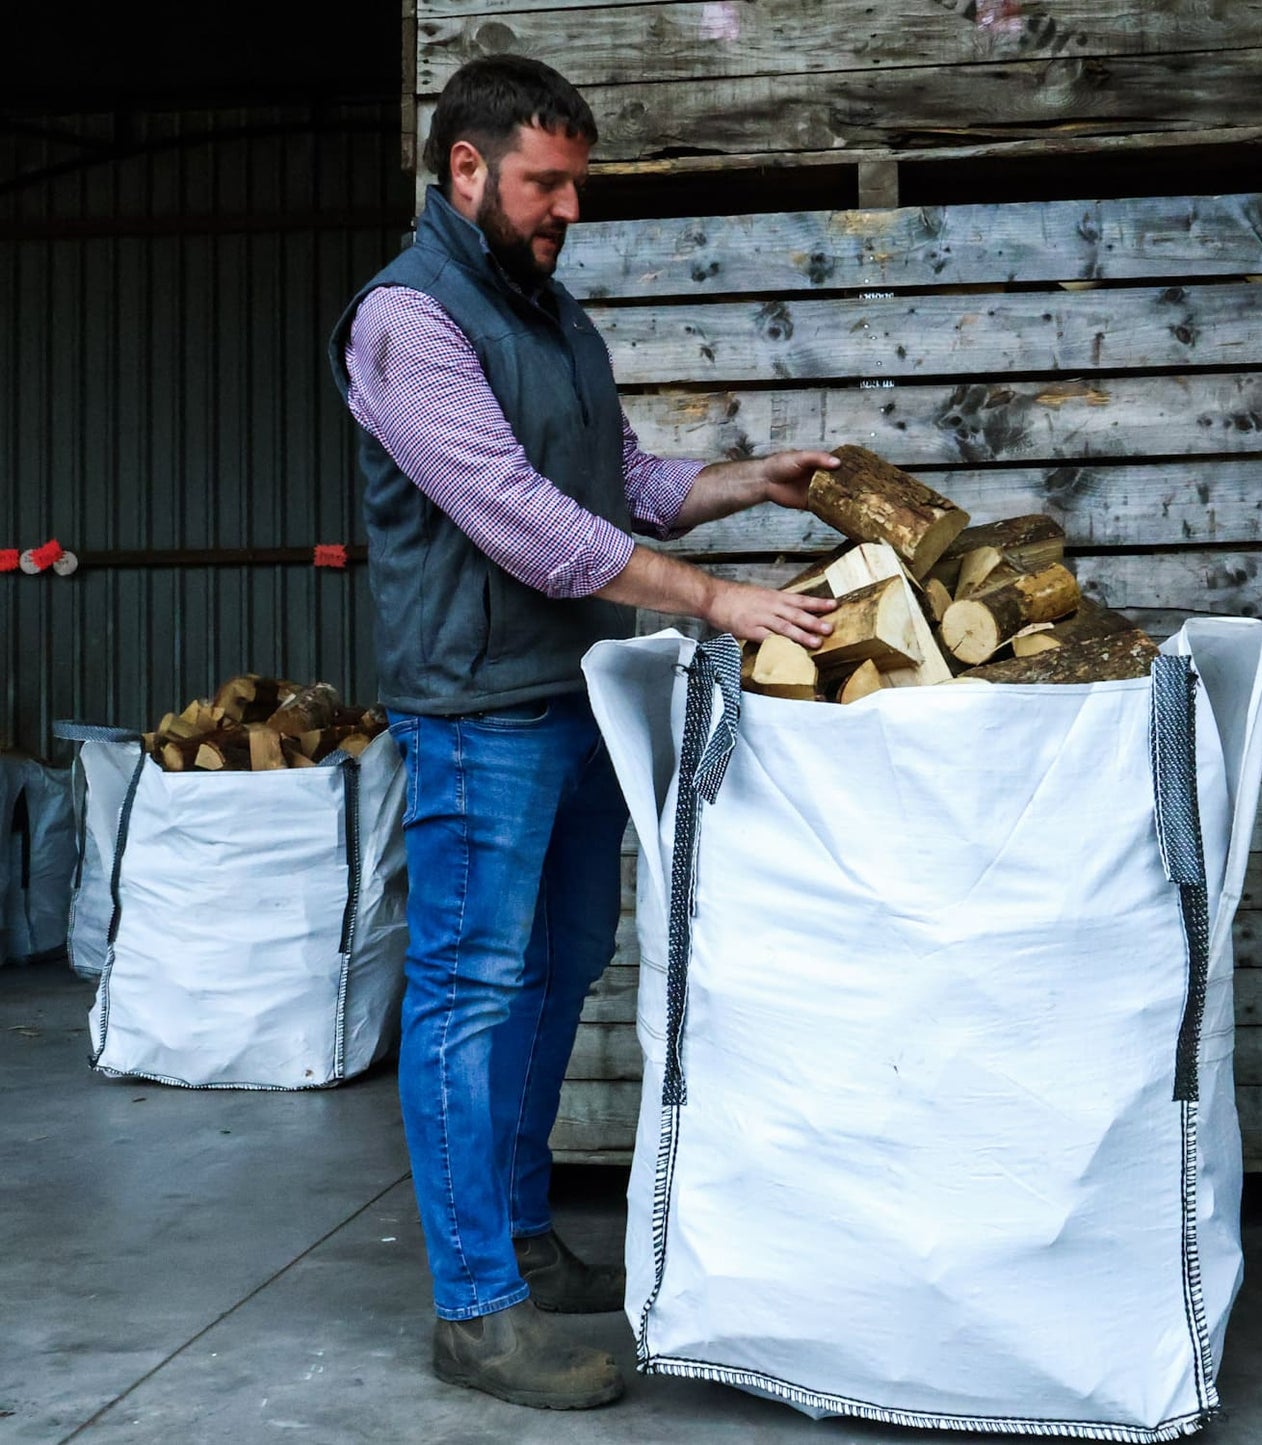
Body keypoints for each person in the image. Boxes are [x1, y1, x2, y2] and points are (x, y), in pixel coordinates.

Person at [328, 55, 837, 1411]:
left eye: (576, 186)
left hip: (567, 701)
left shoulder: (553, 318)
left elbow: (618, 484)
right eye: (545, 183)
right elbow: (524, 522)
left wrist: (743, 483)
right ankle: (472, 1307)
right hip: (471, 713)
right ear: (465, 169)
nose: (565, 208)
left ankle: (518, 1232)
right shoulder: (407, 321)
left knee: (558, 968)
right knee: (469, 987)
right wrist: (718, 600)